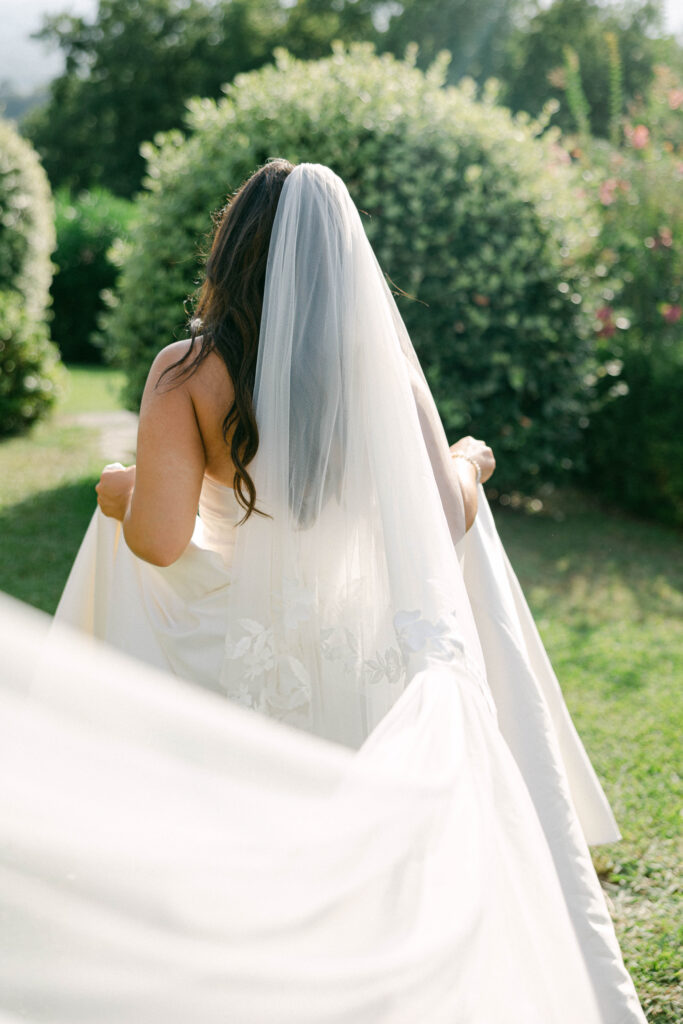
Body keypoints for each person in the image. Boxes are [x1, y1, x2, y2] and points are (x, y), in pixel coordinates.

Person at [0, 161, 648, 1022]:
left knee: (262, 847)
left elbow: (155, 541)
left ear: (231, 253)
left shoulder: (187, 372)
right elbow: (444, 517)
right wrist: (468, 460)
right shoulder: (379, 369)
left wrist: (121, 487)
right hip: (366, 648)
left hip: (254, 653)